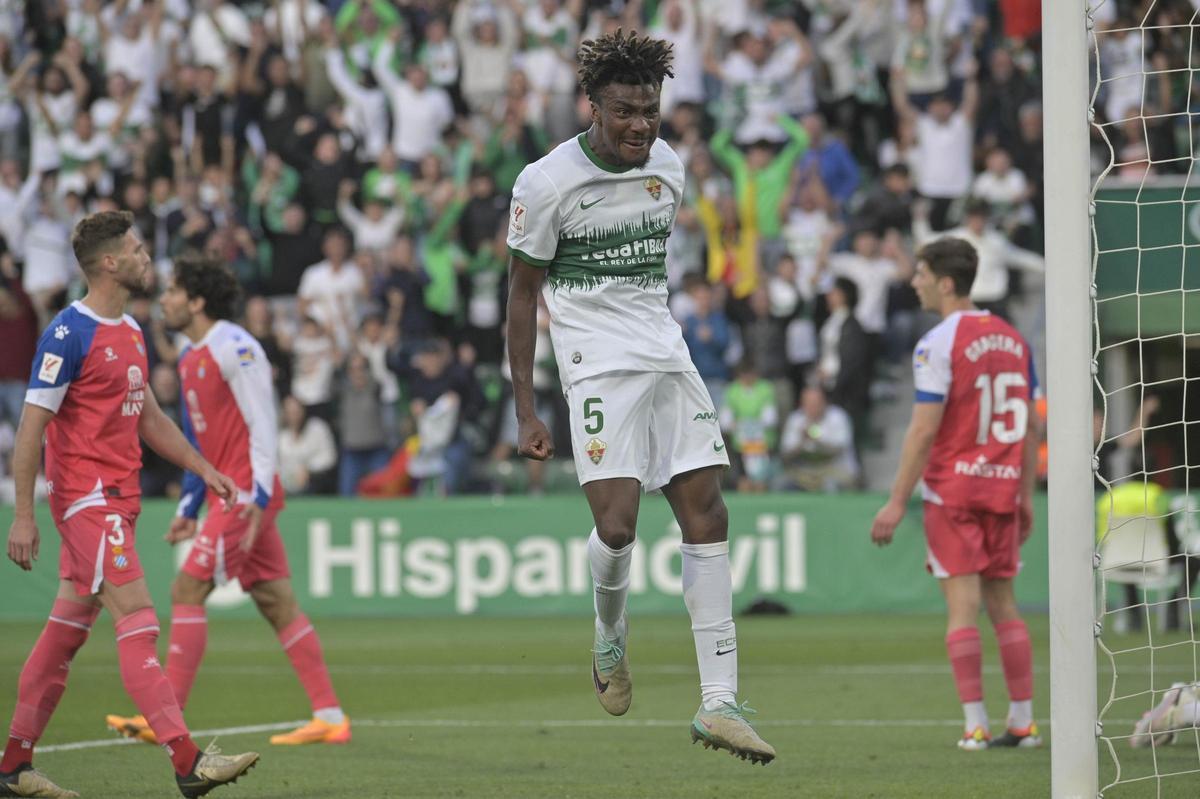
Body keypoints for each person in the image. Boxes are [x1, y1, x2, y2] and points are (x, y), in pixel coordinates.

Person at [505, 29, 775, 764]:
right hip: (594, 363)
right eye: (625, 111)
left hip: (664, 350)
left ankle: (719, 701)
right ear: (591, 104)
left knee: (707, 509)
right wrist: (525, 405)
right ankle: (609, 636)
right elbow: (523, 293)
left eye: (650, 111)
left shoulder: (669, 167)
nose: (640, 126)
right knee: (619, 528)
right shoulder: (546, 181)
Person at [2, 211, 258, 798]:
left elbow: (150, 419)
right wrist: (23, 514)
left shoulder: (133, 331)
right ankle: (187, 762)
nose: (149, 259)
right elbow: (30, 428)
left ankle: (13, 766)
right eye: (139, 251)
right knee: (140, 621)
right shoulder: (69, 334)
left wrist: (203, 468)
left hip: (121, 499)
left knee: (64, 634)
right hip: (87, 500)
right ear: (111, 263)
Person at [106, 254, 349, 748]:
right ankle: (329, 716)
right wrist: (185, 509)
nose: (166, 299)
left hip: (244, 495)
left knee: (187, 589)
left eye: (174, 291)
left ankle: (165, 716)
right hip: (228, 492)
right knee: (278, 603)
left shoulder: (236, 346)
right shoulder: (193, 357)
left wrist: (258, 496)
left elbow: (264, 422)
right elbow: (201, 446)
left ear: (196, 301)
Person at [870, 237, 1042, 751]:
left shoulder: (938, 343)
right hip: (1004, 488)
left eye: (921, 273)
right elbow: (1031, 425)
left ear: (946, 282)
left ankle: (975, 725)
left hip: (953, 489)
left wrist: (897, 500)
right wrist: (1026, 495)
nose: (915, 281)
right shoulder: (1015, 339)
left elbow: (923, 431)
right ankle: (1024, 722)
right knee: (1005, 605)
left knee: (963, 608)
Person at [1131, 681, 1200, 749]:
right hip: (1182, 711)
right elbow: (1135, 742)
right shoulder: (1162, 727)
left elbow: (1177, 687)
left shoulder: (1156, 718)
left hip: (1182, 700)